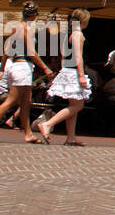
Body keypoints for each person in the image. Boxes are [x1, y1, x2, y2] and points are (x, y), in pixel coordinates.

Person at [0, 2, 52, 143]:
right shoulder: (26, 29)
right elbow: (31, 52)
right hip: (23, 67)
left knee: (25, 102)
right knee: (11, 101)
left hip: (17, 67)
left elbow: (7, 51)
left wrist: (1, 69)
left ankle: (28, 134)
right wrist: (45, 68)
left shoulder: (16, 28)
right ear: (35, 15)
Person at [37, 9, 93, 146]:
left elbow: (63, 55)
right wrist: (81, 75)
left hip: (67, 70)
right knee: (78, 105)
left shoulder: (68, 34)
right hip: (74, 72)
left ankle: (71, 137)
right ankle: (48, 124)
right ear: (84, 20)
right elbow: (78, 57)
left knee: (73, 106)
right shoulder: (78, 35)